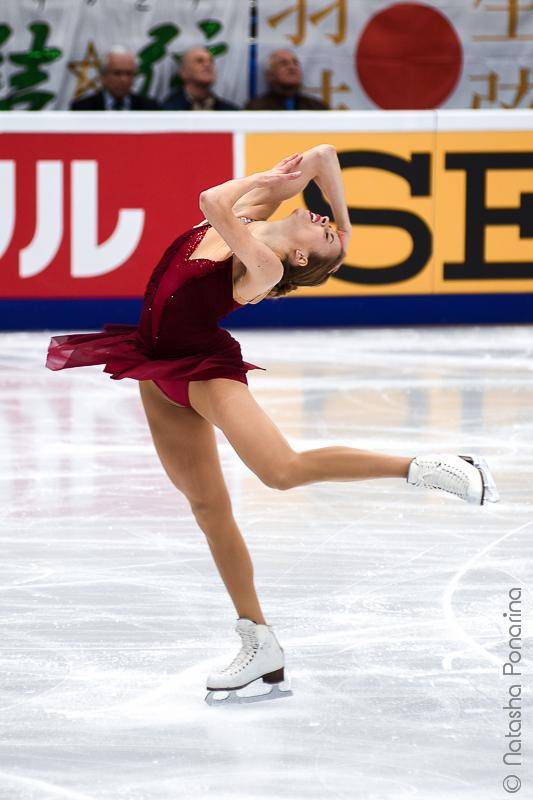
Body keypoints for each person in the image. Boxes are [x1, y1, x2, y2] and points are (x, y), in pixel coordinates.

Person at [45, 145, 499, 706]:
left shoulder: (265, 265)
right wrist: (346, 222)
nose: (325, 223)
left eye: (327, 236)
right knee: (208, 508)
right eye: (328, 225)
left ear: (303, 262)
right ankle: (259, 643)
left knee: (280, 471)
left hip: (204, 371)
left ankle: (428, 468)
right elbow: (324, 156)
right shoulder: (261, 211)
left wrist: (266, 179)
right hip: (152, 366)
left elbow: (212, 201)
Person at [71, 46, 160, 110]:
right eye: (117, 73)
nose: (123, 80)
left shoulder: (149, 108)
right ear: (103, 76)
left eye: (129, 74)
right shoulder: (83, 108)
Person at [246, 49, 329, 111]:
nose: (292, 67)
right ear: (270, 75)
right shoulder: (257, 108)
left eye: (295, 63)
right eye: (283, 64)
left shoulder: (317, 108)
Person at [162, 47, 239, 110]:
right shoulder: (167, 111)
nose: (207, 65)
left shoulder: (230, 112)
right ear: (183, 72)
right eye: (199, 61)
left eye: (211, 61)